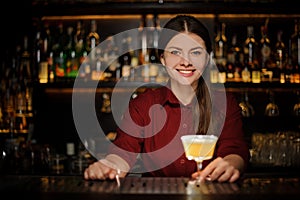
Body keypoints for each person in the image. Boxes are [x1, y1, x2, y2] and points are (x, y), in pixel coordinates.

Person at [84, 15, 250, 183]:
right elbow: (124, 150)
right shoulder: (142, 105)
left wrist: (231, 164)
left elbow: (234, 150)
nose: (186, 62)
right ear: (162, 59)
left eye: (196, 52)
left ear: (207, 58)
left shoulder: (225, 103)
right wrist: (108, 165)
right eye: (176, 52)